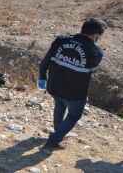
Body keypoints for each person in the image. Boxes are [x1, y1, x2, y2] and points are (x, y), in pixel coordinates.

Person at [38, 18, 105, 151]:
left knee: (59, 106)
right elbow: (91, 67)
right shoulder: (96, 52)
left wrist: (42, 77)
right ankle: (54, 139)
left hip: (54, 86)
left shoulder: (61, 40)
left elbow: (45, 61)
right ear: (96, 34)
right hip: (75, 93)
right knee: (74, 116)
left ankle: (57, 133)